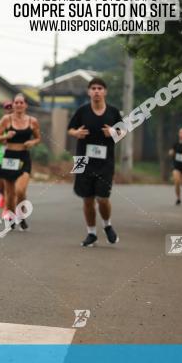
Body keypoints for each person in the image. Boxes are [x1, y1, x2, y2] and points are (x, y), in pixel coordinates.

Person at [67, 77, 123, 247]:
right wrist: (76, 133)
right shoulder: (82, 111)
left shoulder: (113, 112)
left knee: (103, 198)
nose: (97, 91)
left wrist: (114, 132)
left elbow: (123, 131)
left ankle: (107, 225)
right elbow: (70, 129)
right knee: (87, 199)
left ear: (105, 92)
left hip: (105, 161)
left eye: (100, 88)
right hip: (82, 160)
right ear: (89, 92)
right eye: (93, 88)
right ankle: (91, 233)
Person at [0, 94, 40, 230]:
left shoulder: (32, 121)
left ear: (26, 105)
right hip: (9, 157)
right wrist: (6, 136)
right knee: (10, 193)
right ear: (13, 104)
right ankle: (11, 217)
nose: (18, 105)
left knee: (20, 190)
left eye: (21, 102)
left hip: (24, 156)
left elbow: (38, 138)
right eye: (16, 102)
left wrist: (32, 142)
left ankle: (21, 216)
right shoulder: (6, 119)